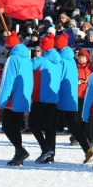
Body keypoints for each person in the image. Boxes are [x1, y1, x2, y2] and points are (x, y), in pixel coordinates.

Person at [54, 33, 93, 163]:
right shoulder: (72, 61)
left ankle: (48, 151)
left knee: (55, 123)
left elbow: (58, 78)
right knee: (73, 123)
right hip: (73, 95)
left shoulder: (60, 60)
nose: (81, 59)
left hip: (71, 96)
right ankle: (86, 147)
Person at [0, 31, 34, 166]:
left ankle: (20, 150)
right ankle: (18, 152)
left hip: (12, 99)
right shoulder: (26, 59)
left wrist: (1, 100)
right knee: (13, 127)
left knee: (7, 126)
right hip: (23, 98)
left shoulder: (12, 59)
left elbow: (7, 81)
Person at [29, 33, 62, 163]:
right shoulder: (58, 61)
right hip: (53, 97)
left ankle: (45, 148)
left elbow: (27, 66)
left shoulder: (42, 59)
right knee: (49, 127)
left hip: (40, 96)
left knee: (32, 124)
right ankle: (50, 154)